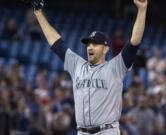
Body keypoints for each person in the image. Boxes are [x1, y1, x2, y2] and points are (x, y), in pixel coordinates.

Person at [23, 0, 148, 134]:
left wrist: (142, 10)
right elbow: (56, 43)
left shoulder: (115, 67)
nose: (90, 47)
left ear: (105, 49)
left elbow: (134, 41)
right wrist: (38, 13)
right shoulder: (77, 65)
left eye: (95, 44)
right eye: (88, 44)